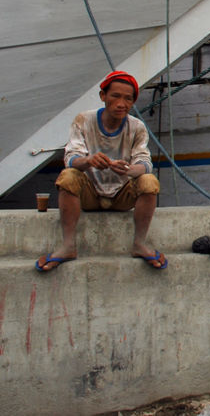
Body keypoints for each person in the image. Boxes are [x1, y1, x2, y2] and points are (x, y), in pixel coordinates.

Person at [35, 71, 166, 272]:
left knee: (149, 180)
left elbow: (145, 162)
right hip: (91, 195)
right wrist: (89, 161)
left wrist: (130, 170)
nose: (121, 103)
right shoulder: (83, 120)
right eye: (115, 96)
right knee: (68, 176)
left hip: (122, 195)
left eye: (128, 99)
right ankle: (68, 245)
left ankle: (140, 243)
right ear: (103, 96)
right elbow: (71, 158)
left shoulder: (137, 127)